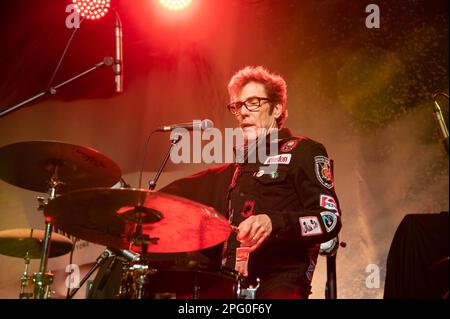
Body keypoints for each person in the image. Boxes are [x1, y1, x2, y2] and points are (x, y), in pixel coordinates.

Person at [160, 66, 342, 299]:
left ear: (276, 109)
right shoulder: (237, 169)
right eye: (238, 106)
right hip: (231, 283)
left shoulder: (304, 151)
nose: (243, 112)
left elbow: (329, 219)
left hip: (280, 284)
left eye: (253, 103)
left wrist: (273, 223)